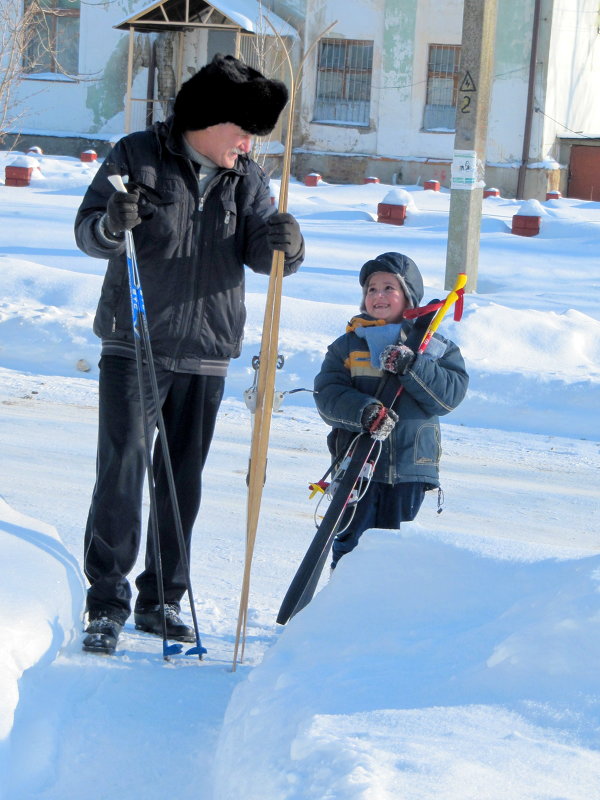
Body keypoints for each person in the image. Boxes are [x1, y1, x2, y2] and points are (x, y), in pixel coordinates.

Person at [75, 54, 304, 653]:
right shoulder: (136, 156)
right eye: (243, 129)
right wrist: (111, 223)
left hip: (207, 349)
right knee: (122, 470)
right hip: (136, 340)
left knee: (183, 479)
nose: (250, 143)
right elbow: (87, 230)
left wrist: (288, 244)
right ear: (210, 119)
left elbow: (261, 251)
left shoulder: (247, 178)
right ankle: (106, 603)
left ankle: (162, 599)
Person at [313, 252, 468, 569]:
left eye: (388, 288)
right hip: (358, 466)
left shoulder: (434, 347)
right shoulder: (348, 345)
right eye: (371, 289)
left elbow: (448, 397)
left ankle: (386, 611)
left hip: (409, 468)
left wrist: (413, 366)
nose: (378, 295)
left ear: (408, 296)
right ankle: (341, 609)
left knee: (393, 552)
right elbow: (328, 394)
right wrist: (364, 411)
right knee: (351, 544)